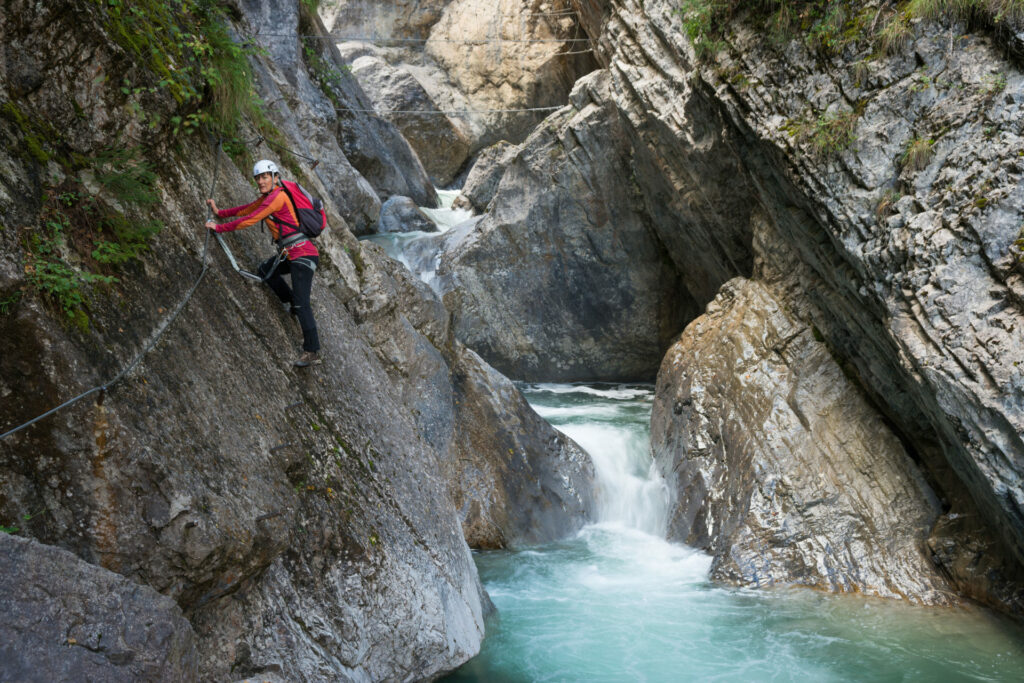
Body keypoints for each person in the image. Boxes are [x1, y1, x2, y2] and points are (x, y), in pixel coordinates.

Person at [205, 159, 321, 367]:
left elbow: (250, 219)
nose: (261, 181)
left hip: (302, 255)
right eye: (258, 178)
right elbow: (247, 209)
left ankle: (312, 351)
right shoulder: (270, 197)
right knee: (266, 270)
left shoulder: (278, 197)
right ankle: (292, 303)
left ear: (275, 177)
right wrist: (219, 213)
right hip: (293, 253)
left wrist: (219, 228)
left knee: (303, 303)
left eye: (265, 176)